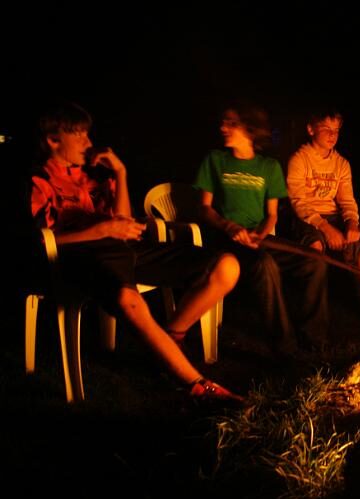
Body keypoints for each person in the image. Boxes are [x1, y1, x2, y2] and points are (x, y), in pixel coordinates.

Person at [30, 102, 242, 402]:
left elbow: (124, 220)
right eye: (79, 136)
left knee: (226, 266)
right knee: (128, 300)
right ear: (53, 140)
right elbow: (39, 241)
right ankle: (198, 385)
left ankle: (172, 336)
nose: (89, 143)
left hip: (126, 247)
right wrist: (101, 231)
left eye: (88, 135)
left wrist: (122, 173)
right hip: (84, 257)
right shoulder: (39, 180)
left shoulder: (96, 174)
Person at [194, 102, 328, 354]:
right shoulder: (215, 160)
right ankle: (285, 346)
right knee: (264, 265)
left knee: (314, 260)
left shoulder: (269, 167)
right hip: (226, 240)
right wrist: (229, 226)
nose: (223, 127)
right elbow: (204, 208)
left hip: (258, 238)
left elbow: (272, 215)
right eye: (223, 122)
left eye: (231, 123)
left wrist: (261, 235)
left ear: (250, 130)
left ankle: (314, 338)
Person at [286, 108, 360, 324]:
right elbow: (298, 202)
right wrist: (325, 228)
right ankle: (314, 313)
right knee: (316, 247)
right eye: (326, 129)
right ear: (311, 129)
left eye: (336, 131)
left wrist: (351, 223)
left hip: (333, 216)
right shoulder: (299, 159)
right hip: (307, 218)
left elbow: (347, 200)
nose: (332, 135)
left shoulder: (341, 164)